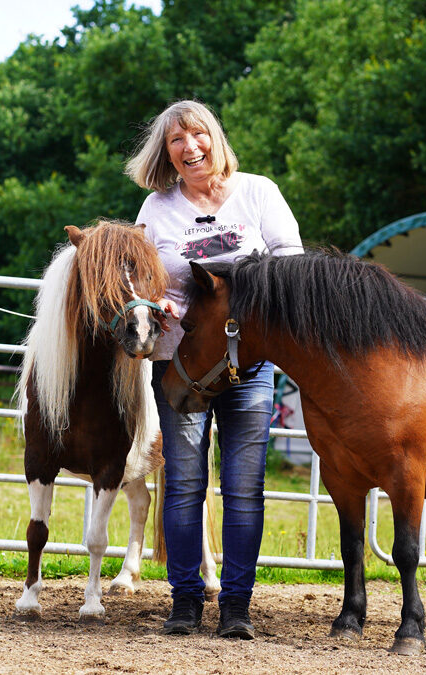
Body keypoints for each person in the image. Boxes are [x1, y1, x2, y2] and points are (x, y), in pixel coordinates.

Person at [125, 100, 302, 639]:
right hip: (181, 365)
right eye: (177, 141)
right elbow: (137, 279)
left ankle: (237, 608)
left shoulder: (258, 192)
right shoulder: (157, 209)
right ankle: (183, 604)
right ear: (166, 153)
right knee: (183, 484)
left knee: (244, 488)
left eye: (197, 134)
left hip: (249, 366)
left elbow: (291, 263)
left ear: (215, 138)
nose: (190, 147)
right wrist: (162, 304)